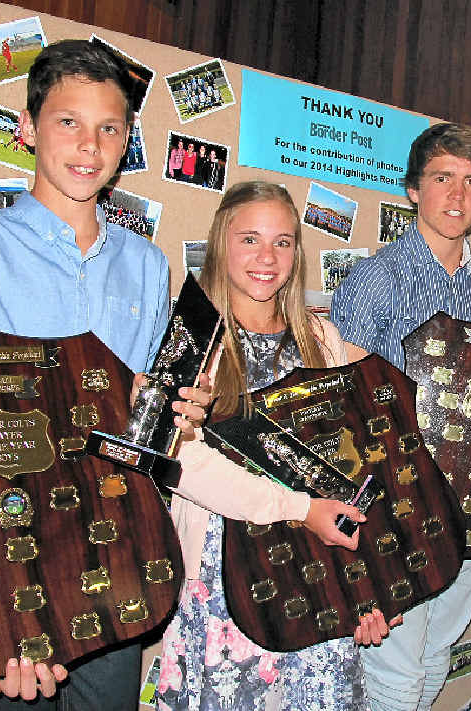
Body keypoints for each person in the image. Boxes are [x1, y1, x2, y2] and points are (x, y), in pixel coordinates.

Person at [0, 39, 208, 709]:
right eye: (68, 122)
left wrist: (174, 413)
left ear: (126, 143)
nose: (89, 145)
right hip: (3, 566)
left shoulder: (147, 264)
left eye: (108, 128)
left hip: (117, 567)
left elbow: (135, 427)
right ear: (27, 130)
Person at [154, 181, 392, 711]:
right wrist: (296, 508)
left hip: (316, 573)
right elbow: (180, 461)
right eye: (250, 239)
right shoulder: (193, 333)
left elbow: (360, 460)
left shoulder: (321, 338)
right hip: (224, 580)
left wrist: (374, 582)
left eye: (283, 242)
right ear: (221, 242)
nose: (267, 257)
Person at [330, 122, 471, 711]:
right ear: (412, 190)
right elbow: (342, 403)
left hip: (469, 501)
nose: (458, 196)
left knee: (437, 654)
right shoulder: (375, 279)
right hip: (393, 502)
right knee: (398, 674)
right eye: (442, 178)